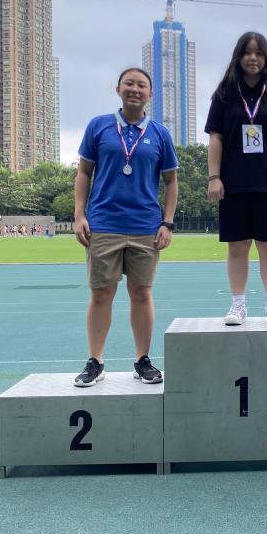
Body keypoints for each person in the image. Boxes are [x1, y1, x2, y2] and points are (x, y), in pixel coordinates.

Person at [72, 67, 179, 387]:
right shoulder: (98, 126)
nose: (135, 89)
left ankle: (143, 360)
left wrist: (167, 222)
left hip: (146, 225)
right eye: (129, 83)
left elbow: (171, 181)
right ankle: (95, 361)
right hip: (103, 223)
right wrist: (79, 215)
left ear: (150, 94)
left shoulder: (160, 133)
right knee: (101, 293)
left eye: (142, 85)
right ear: (117, 88)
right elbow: (83, 174)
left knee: (142, 293)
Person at [205, 31, 267, 326]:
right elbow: (216, 139)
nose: (253, 58)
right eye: (247, 52)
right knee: (237, 245)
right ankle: (238, 304)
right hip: (233, 184)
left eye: (259, 53)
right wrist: (214, 177)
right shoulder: (223, 95)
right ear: (238, 56)